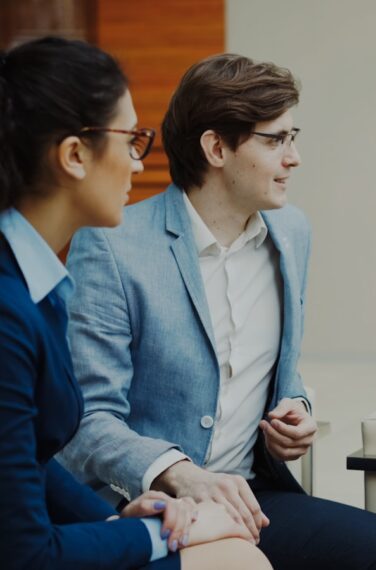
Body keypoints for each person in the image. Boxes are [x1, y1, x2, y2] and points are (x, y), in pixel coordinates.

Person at [58, 52, 376, 570]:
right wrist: (178, 472)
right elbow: (88, 420)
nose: (295, 157)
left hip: (252, 495)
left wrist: (296, 408)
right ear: (216, 147)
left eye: (293, 136)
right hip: (149, 506)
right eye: (275, 139)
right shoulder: (113, 246)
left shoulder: (291, 233)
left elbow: (277, 366)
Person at [0, 36, 270, 570]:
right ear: (74, 155)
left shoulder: (37, 281)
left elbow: (24, 458)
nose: (138, 163)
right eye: (131, 140)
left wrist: (112, 521)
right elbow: (26, 553)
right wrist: (161, 536)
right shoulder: (9, 311)